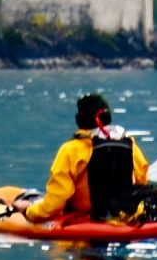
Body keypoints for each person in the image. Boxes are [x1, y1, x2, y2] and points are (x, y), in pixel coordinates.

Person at [11, 92, 149, 223]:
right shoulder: (129, 145)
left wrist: (28, 211)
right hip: (124, 213)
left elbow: (56, 202)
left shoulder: (71, 150)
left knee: (26, 197)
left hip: (84, 216)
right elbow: (142, 180)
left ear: (80, 119)